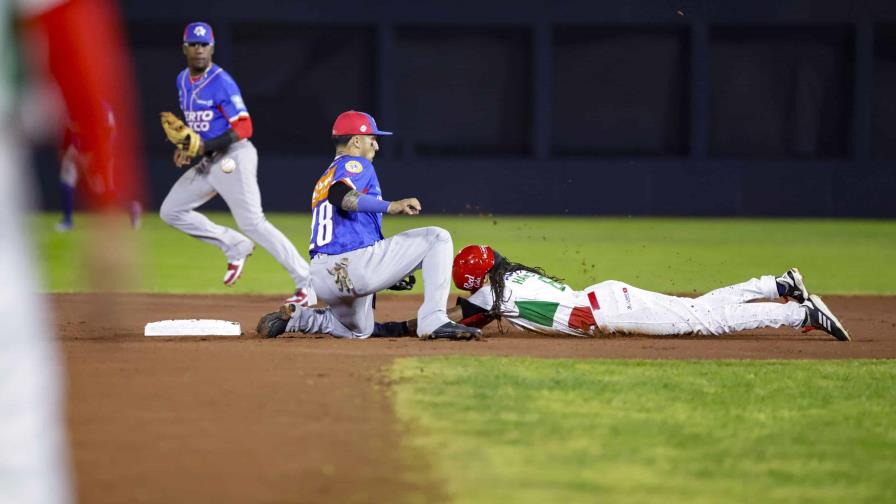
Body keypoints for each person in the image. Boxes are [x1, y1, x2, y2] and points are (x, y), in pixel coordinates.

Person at [255, 110, 481, 340]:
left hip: (323, 277)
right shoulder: (355, 163)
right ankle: (433, 319)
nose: (376, 146)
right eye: (372, 139)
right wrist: (391, 206)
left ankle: (300, 318)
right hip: (352, 265)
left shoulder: (324, 177)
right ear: (356, 140)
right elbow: (340, 195)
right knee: (437, 238)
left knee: (359, 330)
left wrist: (389, 271)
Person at [352, 245, 850, 341]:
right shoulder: (506, 278)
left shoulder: (489, 300)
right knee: (699, 310)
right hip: (607, 297)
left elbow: (446, 323)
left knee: (705, 321)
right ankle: (778, 285)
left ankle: (797, 314)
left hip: (609, 309)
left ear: (476, 282)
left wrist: (384, 329)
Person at [158, 21, 314, 305]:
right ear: (185, 48)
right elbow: (197, 129)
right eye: (194, 44)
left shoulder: (221, 81)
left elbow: (244, 127)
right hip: (208, 161)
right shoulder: (182, 80)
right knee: (171, 210)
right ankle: (234, 244)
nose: (199, 49)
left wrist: (203, 146)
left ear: (213, 48)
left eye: (204, 44)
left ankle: (307, 283)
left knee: (253, 222)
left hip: (234, 157)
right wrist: (186, 147)